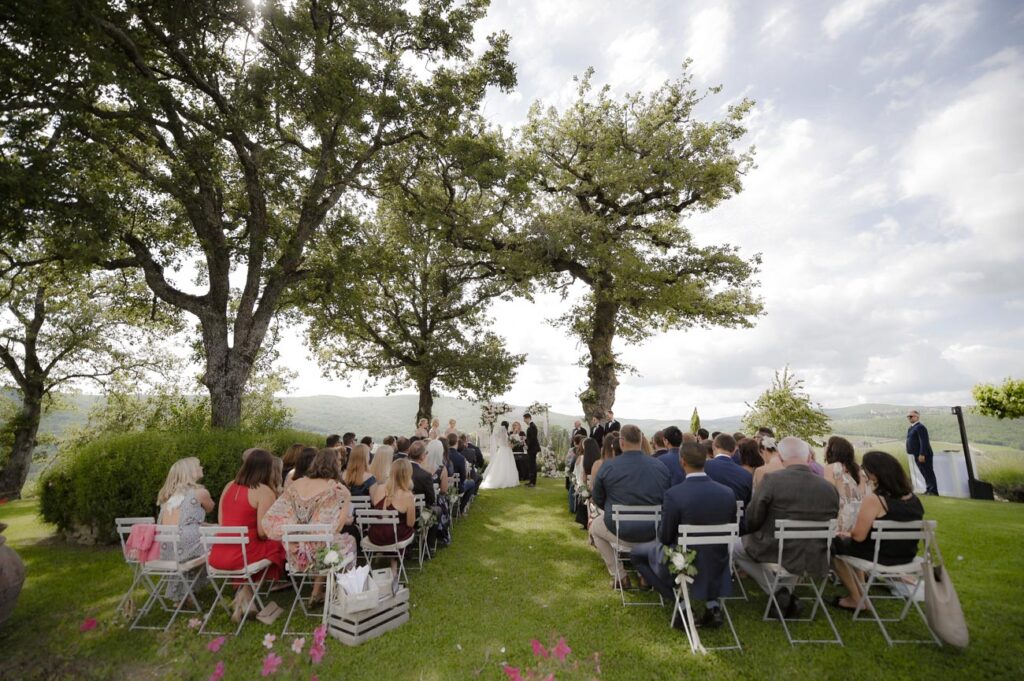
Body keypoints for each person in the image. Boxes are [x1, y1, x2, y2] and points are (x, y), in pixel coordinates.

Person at [630, 442, 736, 629]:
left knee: (637, 554)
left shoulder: (675, 494)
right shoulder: (727, 493)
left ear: (682, 462)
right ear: (706, 460)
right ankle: (713, 607)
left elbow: (665, 537)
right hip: (717, 561)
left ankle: (683, 606)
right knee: (703, 552)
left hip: (683, 562)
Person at [732, 437, 840, 619]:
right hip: (815, 550)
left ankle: (779, 592)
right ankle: (783, 594)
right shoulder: (828, 488)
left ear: (780, 456)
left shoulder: (771, 481)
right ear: (808, 458)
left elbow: (753, 518)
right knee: (794, 550)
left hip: (775, 548)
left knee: (736, 548)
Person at [831, 451, 925, 611]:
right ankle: (861, 593)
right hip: (906, 556)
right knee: (849, 545)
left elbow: (859, 537)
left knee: (833, 546)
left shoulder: (875, 500)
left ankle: (856, 599)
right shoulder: (914, 499)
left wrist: (847, 533)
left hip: (880, 556)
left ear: (874, 474)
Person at [262, 448, 356, 602]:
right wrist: (347, 497)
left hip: (295, 554)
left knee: (322, 542)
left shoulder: (296, 484)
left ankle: (317, 591)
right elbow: (337, 527)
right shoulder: (334, 488)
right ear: (334, 465)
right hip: (320, 555)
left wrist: (292, 537)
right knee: (349, 541)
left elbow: (272, 518)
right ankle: (341, 593)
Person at [208, 449, 287, 623]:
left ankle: (246, 597)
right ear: (267, 469)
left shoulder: (229, 485)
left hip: (219, 554)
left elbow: (222, 521)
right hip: (242, 555)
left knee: (257, 549)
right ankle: (247, 595)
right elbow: (262, 532)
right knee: (278, 546)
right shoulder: (264, 491)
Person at [590, 425, 671, 588]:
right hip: (653, 530)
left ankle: (620, 576)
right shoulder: (660, 466)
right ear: (641, 441)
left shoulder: (608, 466)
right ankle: (644, 575)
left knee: (594, 528)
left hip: (621, 529)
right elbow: (666, 498)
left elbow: (598, 499)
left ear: (621, 442)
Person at [156, 457, 215, 600]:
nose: (202, 468)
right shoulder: (200, 493)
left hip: (167, 547)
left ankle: (186, 593)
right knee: (221, 542)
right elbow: (210, 508)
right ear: (190, 472)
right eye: (199, 466)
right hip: (186, 546)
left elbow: (184, 521)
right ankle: (240, 584)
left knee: (205, 537)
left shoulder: (168, 495)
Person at [368, 458, 416, 577]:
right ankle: (394, 565)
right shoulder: (408, 495)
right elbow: (410, 523)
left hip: (374, 535)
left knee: (391, 527)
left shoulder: (379, 488)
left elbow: (378, 513)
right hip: (393, 538)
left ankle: (382, 556)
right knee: (405, 528)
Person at [823, 436, 866, 533]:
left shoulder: (832, 468)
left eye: (826, 445)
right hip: (858, 523)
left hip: (840, 523)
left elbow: (827, 496)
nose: (824, 448)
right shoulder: (858, 469)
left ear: (832, 450)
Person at [704, 433, 753, 509]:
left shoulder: (703, 468)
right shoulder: (747, 475)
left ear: (713, 446)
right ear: (734, 450)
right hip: (737, 518)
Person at [906, 409, 938, 495]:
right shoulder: (911, 428)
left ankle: (933, 491)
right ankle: (929, 489)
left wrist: (922, 454)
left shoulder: (920, 427)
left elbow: (924, 441)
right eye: (908, 417)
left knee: (928, 472)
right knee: (924, 473)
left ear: (917, 417)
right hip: (916, 455)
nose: (909, 418)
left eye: (911, 416)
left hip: (923, 455)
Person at [481, 422, 519, 489]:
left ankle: (500, 478)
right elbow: (507, 444)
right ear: (507, 426)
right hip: (506, 451)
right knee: (506, 465)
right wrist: (514, 442)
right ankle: (505, 479)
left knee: (501, 465)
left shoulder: (499, 434)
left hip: (501, 450)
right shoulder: (504, 434)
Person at [447, 432, 477, 510]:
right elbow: (463, 478)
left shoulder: (443, 455)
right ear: (456, 442)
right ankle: (461, 508)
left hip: (443, 486)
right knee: (472, 483)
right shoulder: (460, 457)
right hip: (456, 487)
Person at [524, 412, 541, 487]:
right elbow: (530, 438)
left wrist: (527, 445)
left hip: (532, 449)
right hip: (532, 448)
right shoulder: (531, 426)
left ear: (527, 418)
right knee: (531, 465)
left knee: (532, 465)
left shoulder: (532, 426)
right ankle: (531, 481)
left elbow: (532, 439)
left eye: (524, 419)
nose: (524, 421)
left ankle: (533, 482)